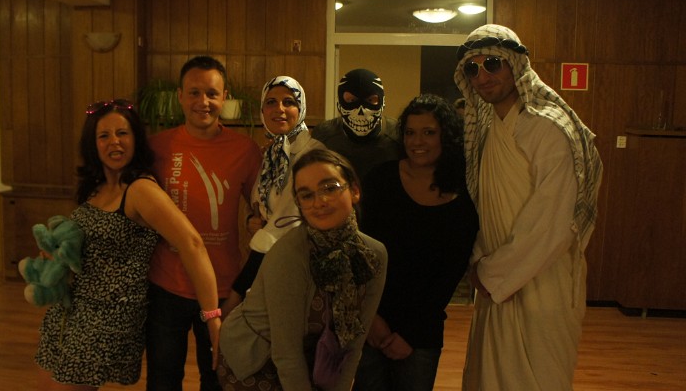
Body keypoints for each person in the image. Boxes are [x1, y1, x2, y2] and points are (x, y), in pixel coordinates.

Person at [454, 24, 603, 390]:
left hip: (542, 283)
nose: (483, 76)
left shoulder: (547, 128)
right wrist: (482, 264)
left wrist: (491, 274)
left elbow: (553, 224)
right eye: (472, 68)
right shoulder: (487, 127)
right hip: (494, 277)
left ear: (515, 65)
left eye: (492, 64)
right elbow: (485, 204)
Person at [34, 99, 220, 390]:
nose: (114, 142)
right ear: (93, 143)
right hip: (71, 308)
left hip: (105, 318)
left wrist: (212, 316)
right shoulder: (96, 186)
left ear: (136, 138)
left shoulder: (140, 189)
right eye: (104, 135)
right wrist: (56, 256)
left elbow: (192, 244)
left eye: (122, 133)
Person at [217, 148, 387, 391]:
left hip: (314, 357)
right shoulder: (290, 253)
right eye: (306, 195)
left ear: (354, 191)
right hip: (256, 359)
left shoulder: (373, 254)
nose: (319, 202)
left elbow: (353, 344)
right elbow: (286, 354)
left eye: (330, 188)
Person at [146, 56, 261, 391]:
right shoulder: (157, 147)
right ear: (180, 96)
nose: (203, 102)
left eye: (212, 93)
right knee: (163, 380)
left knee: (218, 379)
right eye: (194, 93)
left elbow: (261, 208)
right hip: (166, 286)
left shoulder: (245, 149)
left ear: (225, 97)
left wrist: (255, 220)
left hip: (223, 288)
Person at [354, 94, 478, 391]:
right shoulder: (380, 179)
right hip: (372, 322)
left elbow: (448, 277)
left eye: (428, 132)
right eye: (410, 132)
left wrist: (410, 334)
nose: (417, 141)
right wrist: (371, 318)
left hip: (421, 334)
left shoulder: (463, 195)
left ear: (446, 137)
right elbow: (357, 253)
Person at [224, 76, 326, 311]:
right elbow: (260, 206)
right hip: (269, 269)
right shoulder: (271, 155)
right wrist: (251, 220)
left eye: (289, 102)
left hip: (299, 271)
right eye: (271, 102)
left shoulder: (312, 156)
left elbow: (282, 225)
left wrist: (236, 293)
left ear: (301, 108)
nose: (279, 109)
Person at [311, 68, 401, 181]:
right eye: (351, 101)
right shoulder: (323, 135)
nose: (361, 111)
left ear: (383, 103)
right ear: (339, 104)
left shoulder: (398, 134)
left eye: (370, 100)